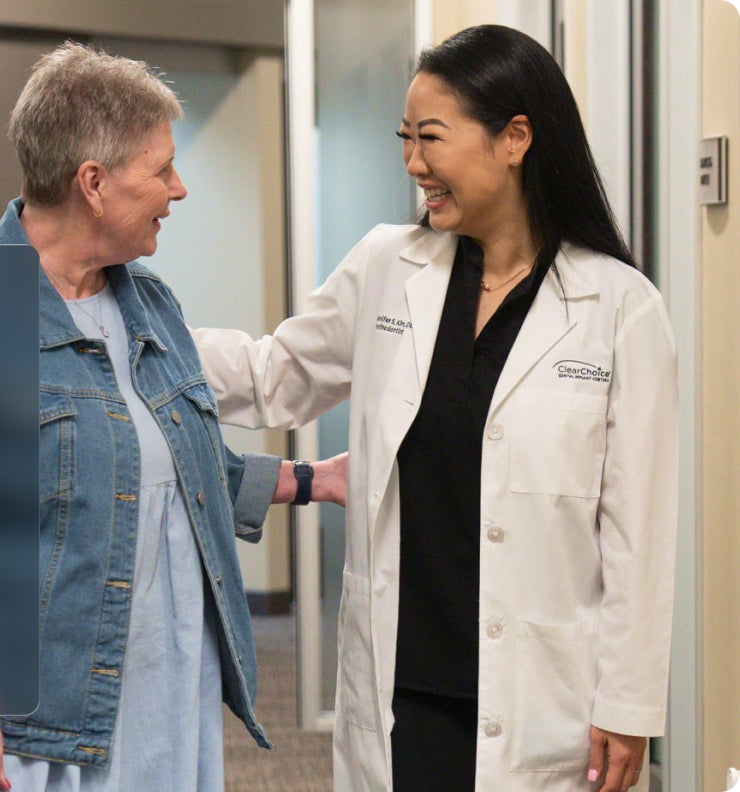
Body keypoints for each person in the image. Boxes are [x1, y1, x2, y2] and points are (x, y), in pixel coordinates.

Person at [193, 24, 677, 792]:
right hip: (402, 687)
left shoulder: (620, 308)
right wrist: (144, 338)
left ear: (515, 137)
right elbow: (274, 374)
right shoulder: (390, 266)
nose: (414, 163)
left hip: (542, 702)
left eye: (432, 138)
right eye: (405, 139)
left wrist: (630, 701)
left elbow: (637, 532)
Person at [0, 42, 346, 792]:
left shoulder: (147, 302)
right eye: (161, 170)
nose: (177, 189)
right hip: (10, 722)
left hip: (142, 700)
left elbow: (165, 467)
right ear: (93, 183)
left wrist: (314, 480)